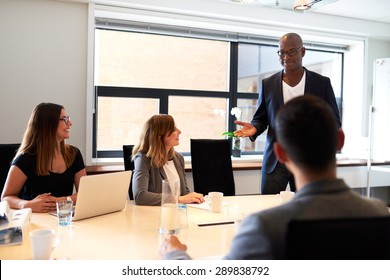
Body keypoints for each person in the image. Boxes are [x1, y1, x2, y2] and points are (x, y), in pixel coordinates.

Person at [160, 95, 389, 260]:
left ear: (279, 153)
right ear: (340, 141)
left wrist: (175, 254)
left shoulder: (265, 229)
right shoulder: (380, 215)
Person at [234, 32, 341, 194]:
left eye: (292, 51)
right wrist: (255, 128)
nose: (286, 56)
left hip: (308, 159)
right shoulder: (268, 84)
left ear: (302, 52)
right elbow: (261, 118)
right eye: (282, 52)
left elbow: (333, 121)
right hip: (276, 160)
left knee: (306, 209)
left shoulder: (322, 83)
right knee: (268, 207)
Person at [1, 103, 86, 213]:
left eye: (68, 118)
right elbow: (6, 197)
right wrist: (28, 204)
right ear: (48, 125)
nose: (70, 123)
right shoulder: (25, 158)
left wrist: (63, 201)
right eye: (63, 119)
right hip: (35, 219)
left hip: (63, 218)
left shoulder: (74, 153)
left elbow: (85, 193)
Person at [132, 114, 204, 206]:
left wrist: (193, 198)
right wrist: (178, 199)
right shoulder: (143, 159)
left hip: (178, 213)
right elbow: (140, 196)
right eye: (173, 129)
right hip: (154, 215)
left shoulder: (178, 158)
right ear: (159, 136)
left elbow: (184, 193)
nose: (179, 132)